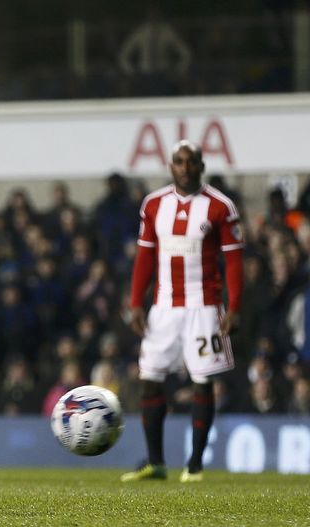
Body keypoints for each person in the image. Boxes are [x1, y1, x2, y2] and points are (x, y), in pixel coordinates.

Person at [121, 140, 243, 483]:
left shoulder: (220, 206)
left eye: (191, 162)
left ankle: (195, 465)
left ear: (201, 166)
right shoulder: (153, 205)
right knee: (149, 379)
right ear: (170, 166)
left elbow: (234, 260)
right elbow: (145, 256)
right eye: (179, 161)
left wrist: (234, 307)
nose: (185, 167)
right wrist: (134, 302)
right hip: (163, 307)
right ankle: (156, 463)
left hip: (204, 307)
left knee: (202, 381)